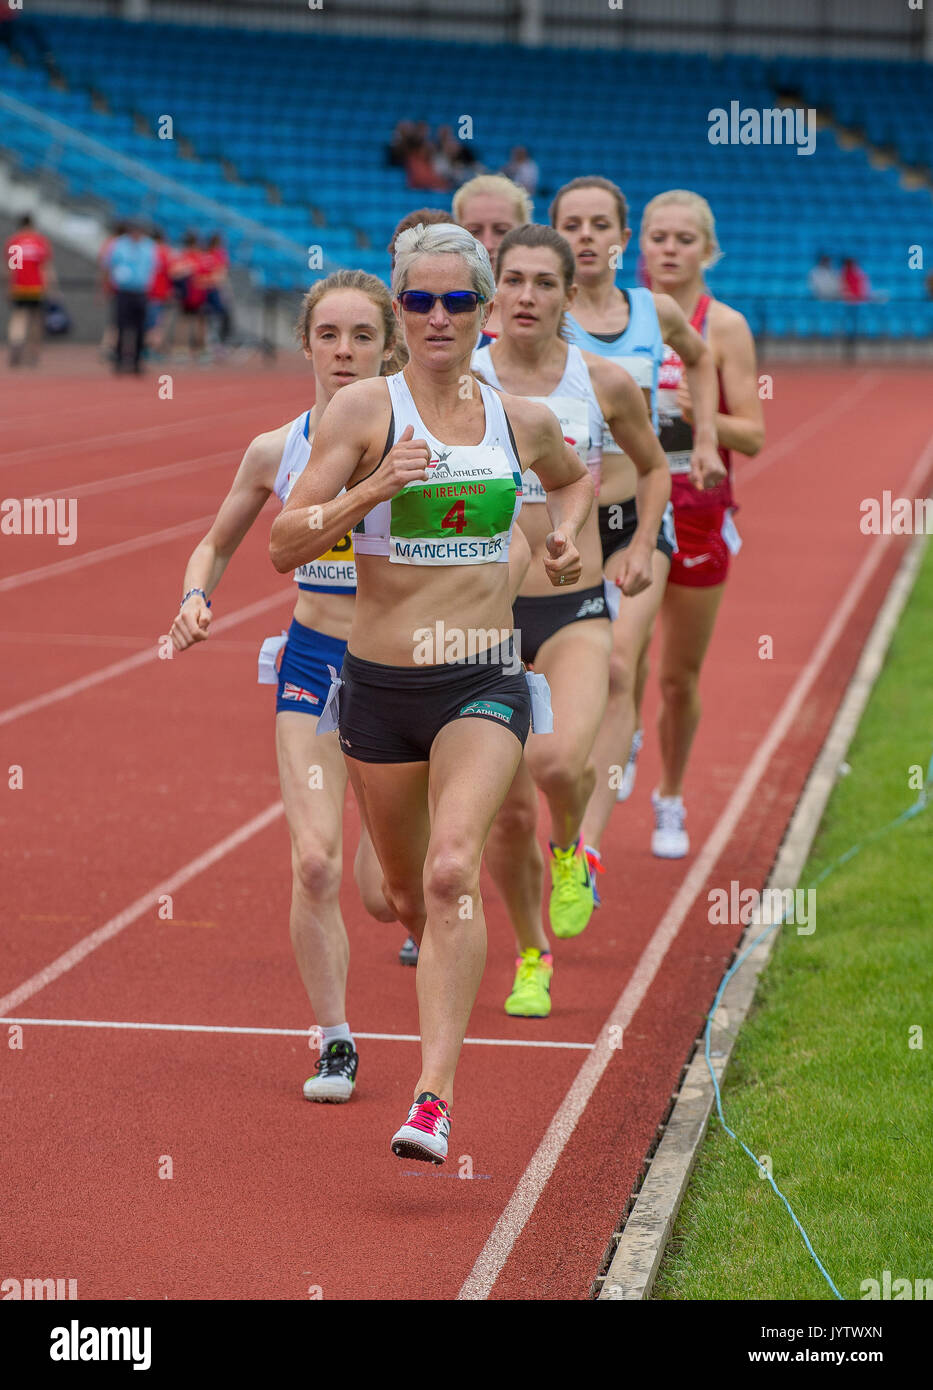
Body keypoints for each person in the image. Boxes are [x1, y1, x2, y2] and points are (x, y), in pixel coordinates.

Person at [270, 222, 593, 1162]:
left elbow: (574, 485)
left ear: (485, 312)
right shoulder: (363, 412)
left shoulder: (518, 418)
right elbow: (286, 542)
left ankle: (431, 1097)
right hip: (377, 688)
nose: (438, 316)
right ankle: (429, 944)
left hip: (483, 676)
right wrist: (365, 494)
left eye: (459, 301)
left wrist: (565, 538)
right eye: (419, 301)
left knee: (456, 868)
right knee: (400, 894)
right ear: (400, 312)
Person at [170, 270, 400, 1103]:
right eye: (329, 335)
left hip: (398, 672)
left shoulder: (417, 442)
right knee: (313, 863)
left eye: (362, 336)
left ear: (387, 346)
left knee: (387, 894)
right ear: (305, 343)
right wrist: (197, 596)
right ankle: (335, 1040)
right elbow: (215, 544)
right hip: (311, 663)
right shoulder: (277, 449)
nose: (344, 351)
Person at [473, 224, 670, 1013]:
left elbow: (653, 467)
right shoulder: (460, 382)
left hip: (575, 604)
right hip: (480, 618)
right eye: (513, 280)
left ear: (567, 294)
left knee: (555, 764)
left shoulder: (601, 381)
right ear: (493, 291)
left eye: (543, 284)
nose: (526, 296)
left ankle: (573, 852)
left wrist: (643, 547)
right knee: (502, 814)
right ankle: (531, 954)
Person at [549, 177, 720, 878]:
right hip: (564, 523)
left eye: (599, 225)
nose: (585, 236)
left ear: (623, 240)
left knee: (621, 664)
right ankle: (564, 788)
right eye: (571, 225)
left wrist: (703, 436)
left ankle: (584, 847)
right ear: (554, 233)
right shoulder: (535, 311)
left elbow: (702, 359)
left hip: (640, 518)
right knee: (555, 682)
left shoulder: (650, 312)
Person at [637, 189, 764, 855]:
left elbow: (755, 436)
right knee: (615, 657)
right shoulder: (615, 317)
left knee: (676, 677)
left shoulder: (725, 326)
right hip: (626, 502)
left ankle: (671, 798)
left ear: (706, 249)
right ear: (640, 244)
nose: (668, 249)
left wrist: (702, 411)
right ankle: (618, 743)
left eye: (683, 239)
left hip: (695, 503)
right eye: (657, 236)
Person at [452, 173, 533, 342]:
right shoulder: (434, 310)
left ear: (525, 232)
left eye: (501, 230)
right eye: (475, 231)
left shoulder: (556, 314)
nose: (487, 244)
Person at [103, 219, 155, 374]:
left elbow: (153, 268)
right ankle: (119, 360)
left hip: (140, 291)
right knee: (121, 325)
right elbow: (108, 266)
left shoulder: (148, 246)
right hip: (123, 291)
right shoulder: (119, 245)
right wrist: (107, 286)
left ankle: (138, 361)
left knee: (140, 328)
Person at [5, 213, 54, 367]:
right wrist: (49, 287)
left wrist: (9, 287)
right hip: (36, 286)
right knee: (35, 320)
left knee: (18, 317)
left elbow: (11, 269)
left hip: (18, 286)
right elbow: (44, 268)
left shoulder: (14, 242)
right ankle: (33, 352)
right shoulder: (39, 242)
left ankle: (16, 343)